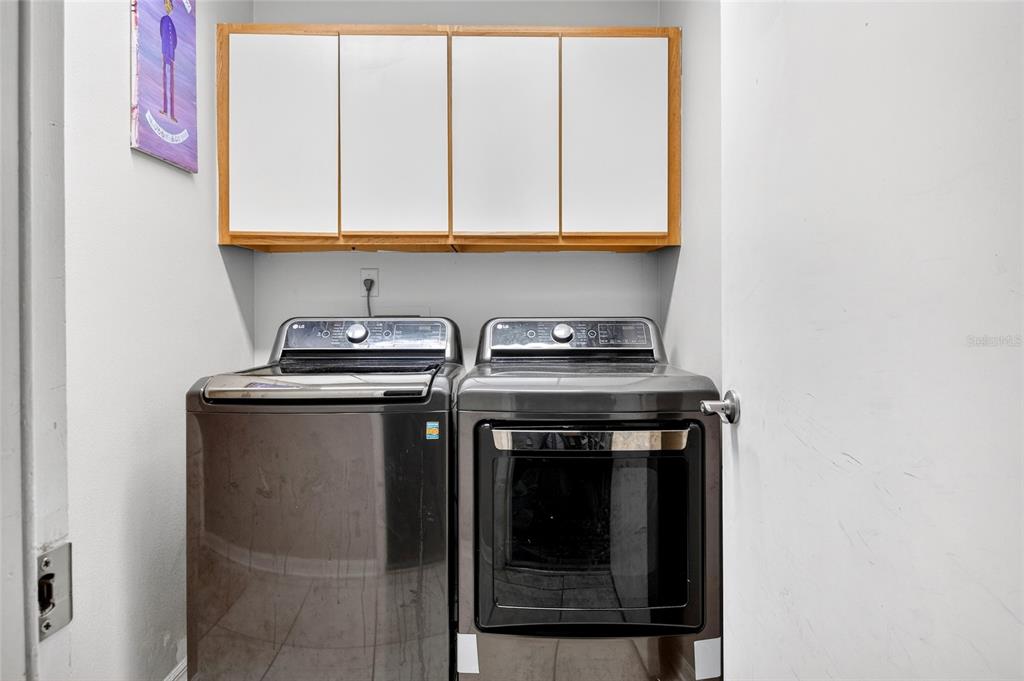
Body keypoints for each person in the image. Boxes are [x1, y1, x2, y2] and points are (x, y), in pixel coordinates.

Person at [160, 0, 178, 121]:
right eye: (166, 4)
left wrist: (172, 50)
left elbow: (175, 39)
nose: (167, 6)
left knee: (171, 84)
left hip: (172, 54)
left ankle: (172, 114)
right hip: (165, 52)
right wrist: (166, 49)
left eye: (169, 5)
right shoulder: (163, 20)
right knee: (165, 82)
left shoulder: (171, 22)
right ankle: (165, 109)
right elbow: (162, 34)